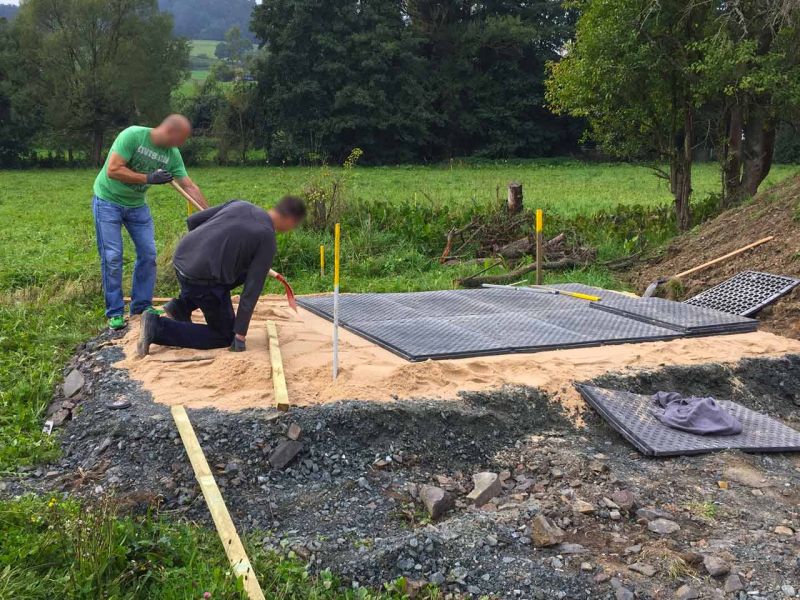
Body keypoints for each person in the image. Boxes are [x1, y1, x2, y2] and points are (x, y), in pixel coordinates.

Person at [137, 196, 306, 356]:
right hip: (200, 280)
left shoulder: (240, 204)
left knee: (242, 272)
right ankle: (157, 328)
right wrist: (239, 334)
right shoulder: (267, 238)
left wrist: (205, 247)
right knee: (223, 335)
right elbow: (252, 290)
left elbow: (193, 220)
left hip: (182, 258)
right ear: (291, 220)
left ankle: (181, 306)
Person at [92, 114, 209, 331]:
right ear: (170, 131)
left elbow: (188, 185)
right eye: (181, 138)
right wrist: (148, 178)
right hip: (108, 201)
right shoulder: (133, 136)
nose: (181, 144)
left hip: (137, 205)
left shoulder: (172, 155)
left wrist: (211, 215)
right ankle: (115, 312)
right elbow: (113, 169)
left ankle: (141, 306)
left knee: (148, 254)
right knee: (113, 256)